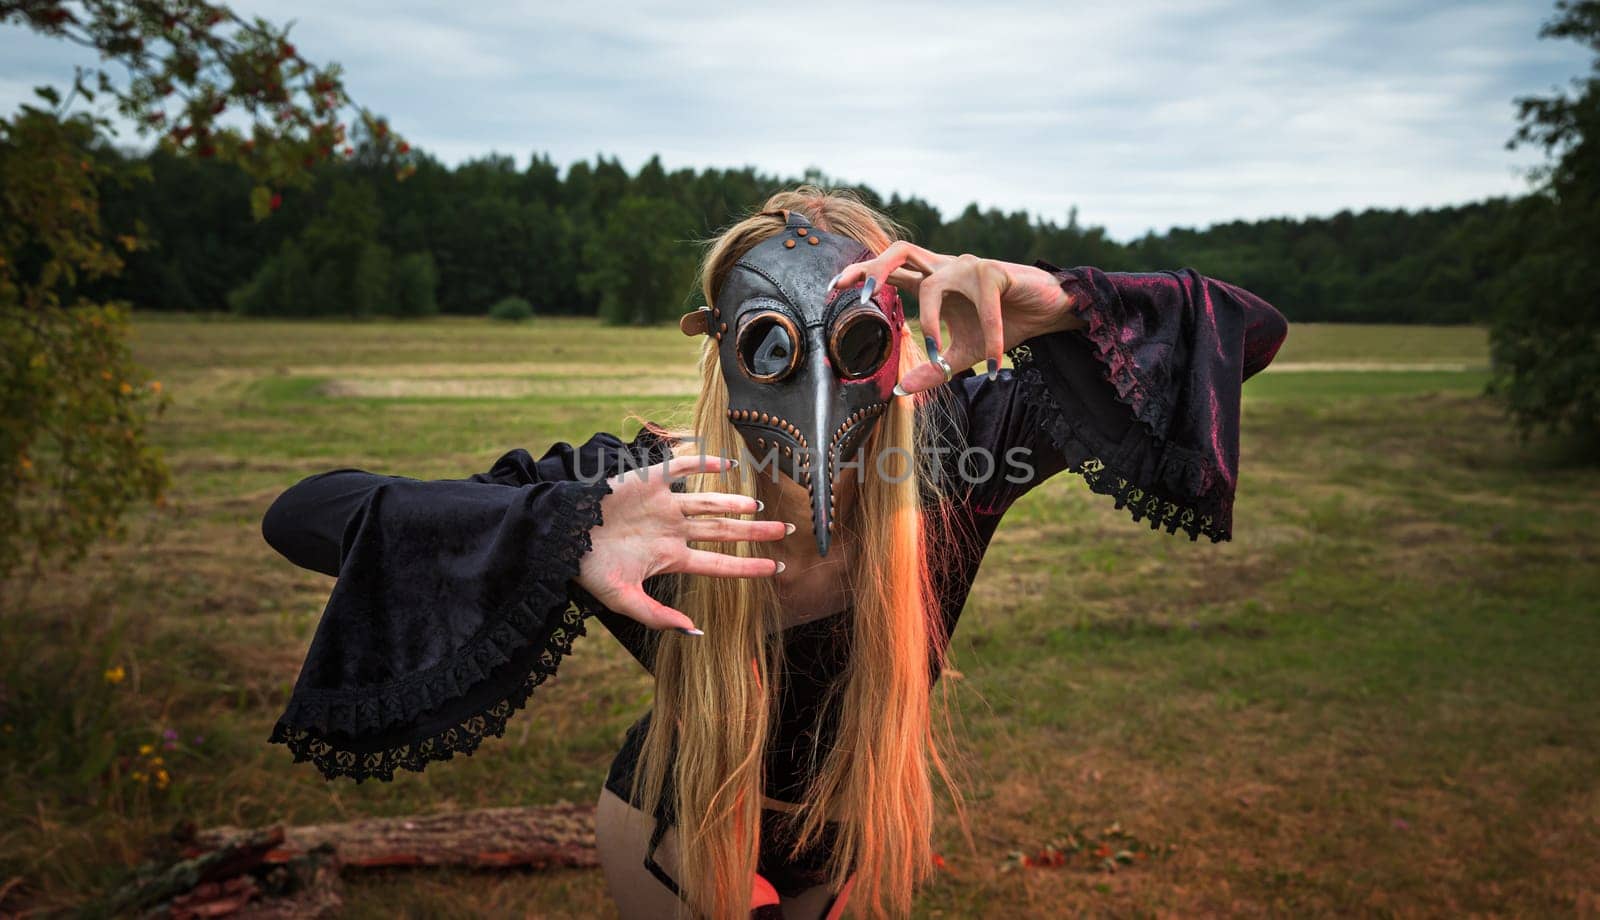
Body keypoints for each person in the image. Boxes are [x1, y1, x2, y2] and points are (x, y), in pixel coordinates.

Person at [259, 185, 1289, 920]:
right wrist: (564, 526)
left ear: (894, 331)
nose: (817, 386)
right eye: (771, 344)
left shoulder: (962, 452)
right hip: (675, 831)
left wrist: (1054, 304)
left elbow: (1246, 331)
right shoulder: (645, 495)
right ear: (726, 346)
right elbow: (306, 512)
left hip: (846, 833)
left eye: (851, 338)